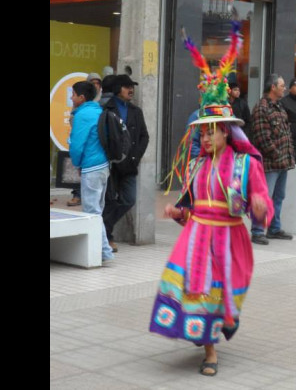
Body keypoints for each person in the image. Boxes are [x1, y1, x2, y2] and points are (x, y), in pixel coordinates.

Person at [150, 23, 273, 377]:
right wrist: (178, 211)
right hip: (197, 237)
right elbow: (189, 205)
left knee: (224, 294)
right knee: (195, 288)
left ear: (227, 132)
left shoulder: (246, 164)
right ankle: (210, 351)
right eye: (202, 131)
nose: (204, 137)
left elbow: (260, 197)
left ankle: (219, 323)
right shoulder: (198, 165)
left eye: (211, 131)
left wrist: (263, 208)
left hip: (231, 237)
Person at [67, 81, 114, 262]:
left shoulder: (83, 115)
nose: (71, 98)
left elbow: (77, 145)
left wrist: (78, 164)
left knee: (91, 212)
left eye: (73, 94)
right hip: (103, 167)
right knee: (97, 210)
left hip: (91, 167)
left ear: (82, 97)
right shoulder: (98, 111)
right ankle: (103, 250)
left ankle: (104, 252)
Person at [102, 74, 149, 252]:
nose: (131, 90)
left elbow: (144, 136)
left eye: (132, 87)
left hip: (129, 165)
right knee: (110, 201)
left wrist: (136, 156)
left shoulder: (136, 111)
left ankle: (102, 227)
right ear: (116, 89)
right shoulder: (107, 108)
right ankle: (107, 235)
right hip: (111, 165)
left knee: (129, 199)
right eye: (126, 86)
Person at [250, 74, 295, 244]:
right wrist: (277, 154)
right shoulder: (262, 108)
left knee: (278, 196)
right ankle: (257, 230)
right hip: (269, 163)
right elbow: (262, 138)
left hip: (282, 162)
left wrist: (287, 156)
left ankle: (274, 228)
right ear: (273, 87)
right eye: (282, 85)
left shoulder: (279, 106)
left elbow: (286, 133)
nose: (284, 88)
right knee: (263, 197)